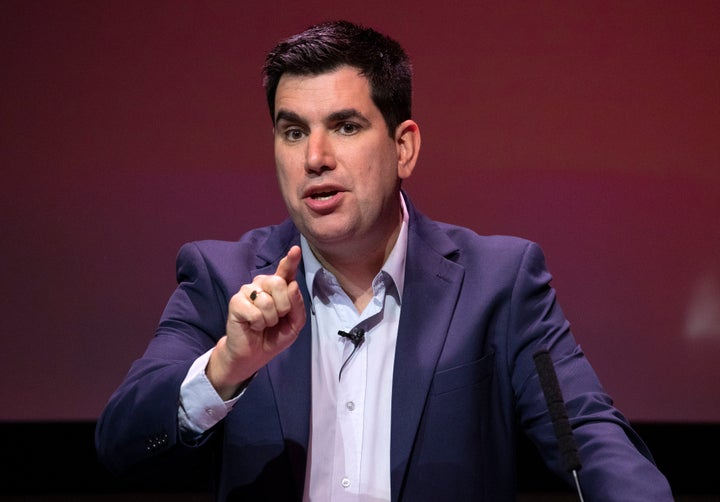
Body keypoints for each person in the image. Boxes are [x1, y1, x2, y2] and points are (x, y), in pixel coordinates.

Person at [95, 20, 674, 501]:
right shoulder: (221, 279)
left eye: (345, 127)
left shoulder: (499, 283)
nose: (315, 158)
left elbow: (592, 437)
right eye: (292, 132)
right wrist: (225, 368)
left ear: (404, 148)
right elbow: (121, 445)